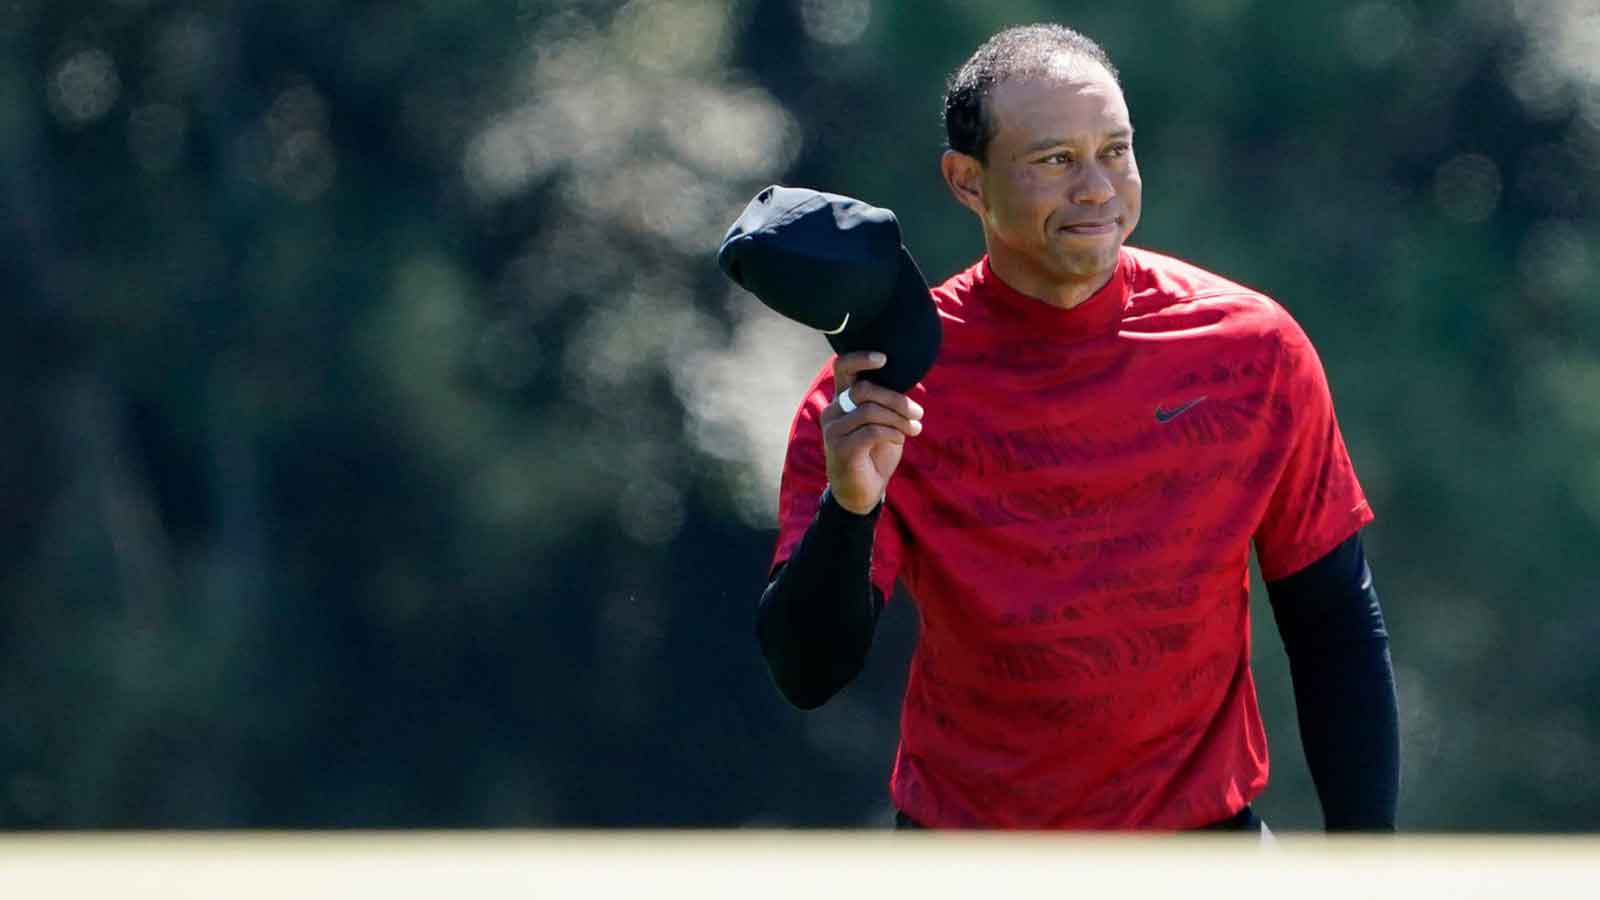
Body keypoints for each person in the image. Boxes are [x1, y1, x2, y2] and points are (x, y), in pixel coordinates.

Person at [755, 23, 1399, 832]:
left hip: (1201, 852)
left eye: (1115, 151)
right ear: (967, 181)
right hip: (971, 861)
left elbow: (1334, 624)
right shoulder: (879, 395)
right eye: (1056, 160)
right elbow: (807, 673)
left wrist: (1366, 865)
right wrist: (850, 508)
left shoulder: (1253, 351)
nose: (1097, 188)